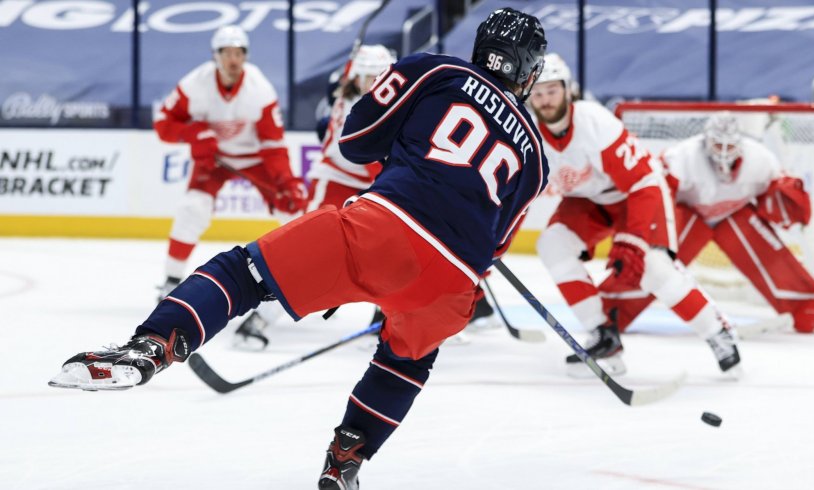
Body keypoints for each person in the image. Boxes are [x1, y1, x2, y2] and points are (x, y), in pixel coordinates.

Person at [49, 8, 548, 490]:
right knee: (406, 360)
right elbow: (496, 248)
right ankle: (347, 458)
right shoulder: (538, 158)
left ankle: (153, 345)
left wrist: (398, 154)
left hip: (384, 228)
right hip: (452, 284)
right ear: (527, 70)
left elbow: (355, 142)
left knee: (242, 272)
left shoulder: (436, 68)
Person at [233, 45, 501, 350]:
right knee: (310, 258)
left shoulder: (382, 100)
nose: (373, 82)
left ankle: (384, 321)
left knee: (394, 254)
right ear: (356, 77)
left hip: (372, 187)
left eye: (379, 75)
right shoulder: (356, 105)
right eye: (367, 76)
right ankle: (255, 321)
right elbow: (376, 152)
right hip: (335, 183)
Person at [529, 53, 741, 376]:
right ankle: (603, 337)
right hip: (589, 201)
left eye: (552, 90)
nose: (545, 100)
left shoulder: (593, 122)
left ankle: (717, 331)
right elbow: (512, 197)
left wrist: (633, 240)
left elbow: (643, 183)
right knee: (551, 244)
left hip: (638, 193)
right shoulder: (528, 135)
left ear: (568, 89)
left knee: (653, 268)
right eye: (538, 92)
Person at [601, 112, 814, 333]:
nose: (724, 151)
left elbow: (784, 194)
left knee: (767, 250)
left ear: (740, 143)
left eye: (730, 145)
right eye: (718, 144)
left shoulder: (761, 159)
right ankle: (611, 311)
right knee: (657, 260)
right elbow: (656, 195)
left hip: (733, 216)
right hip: (688, 215)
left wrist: (788, 201)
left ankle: (808, 308)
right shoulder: (681, 157)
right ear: (705, 141)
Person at [154, 25, 307, 301]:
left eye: (239, 53)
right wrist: (191, 134)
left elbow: (273, 146)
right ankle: (171, 280)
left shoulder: (259, 89)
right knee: (192, 210)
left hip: (255, 159)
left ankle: (303, 281)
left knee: (291, 214)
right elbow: (163, 124)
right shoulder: (193, 85)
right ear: (215, 55)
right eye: (227, 53)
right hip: (214, 161)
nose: (233, 60)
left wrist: (286, 181)